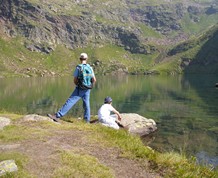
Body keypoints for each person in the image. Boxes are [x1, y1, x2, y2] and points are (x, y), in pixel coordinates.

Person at [47, 53, 96, 123]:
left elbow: (75, 80)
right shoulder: (90, 68)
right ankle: (86, 120)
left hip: (80, 88)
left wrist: (78, 85)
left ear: (80, 59)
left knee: (70, 101)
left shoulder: (79, 67)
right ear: (87, 59)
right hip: (88, 88)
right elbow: (94, 80)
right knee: (86, 104)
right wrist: (88, 85)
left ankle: (57, 115)